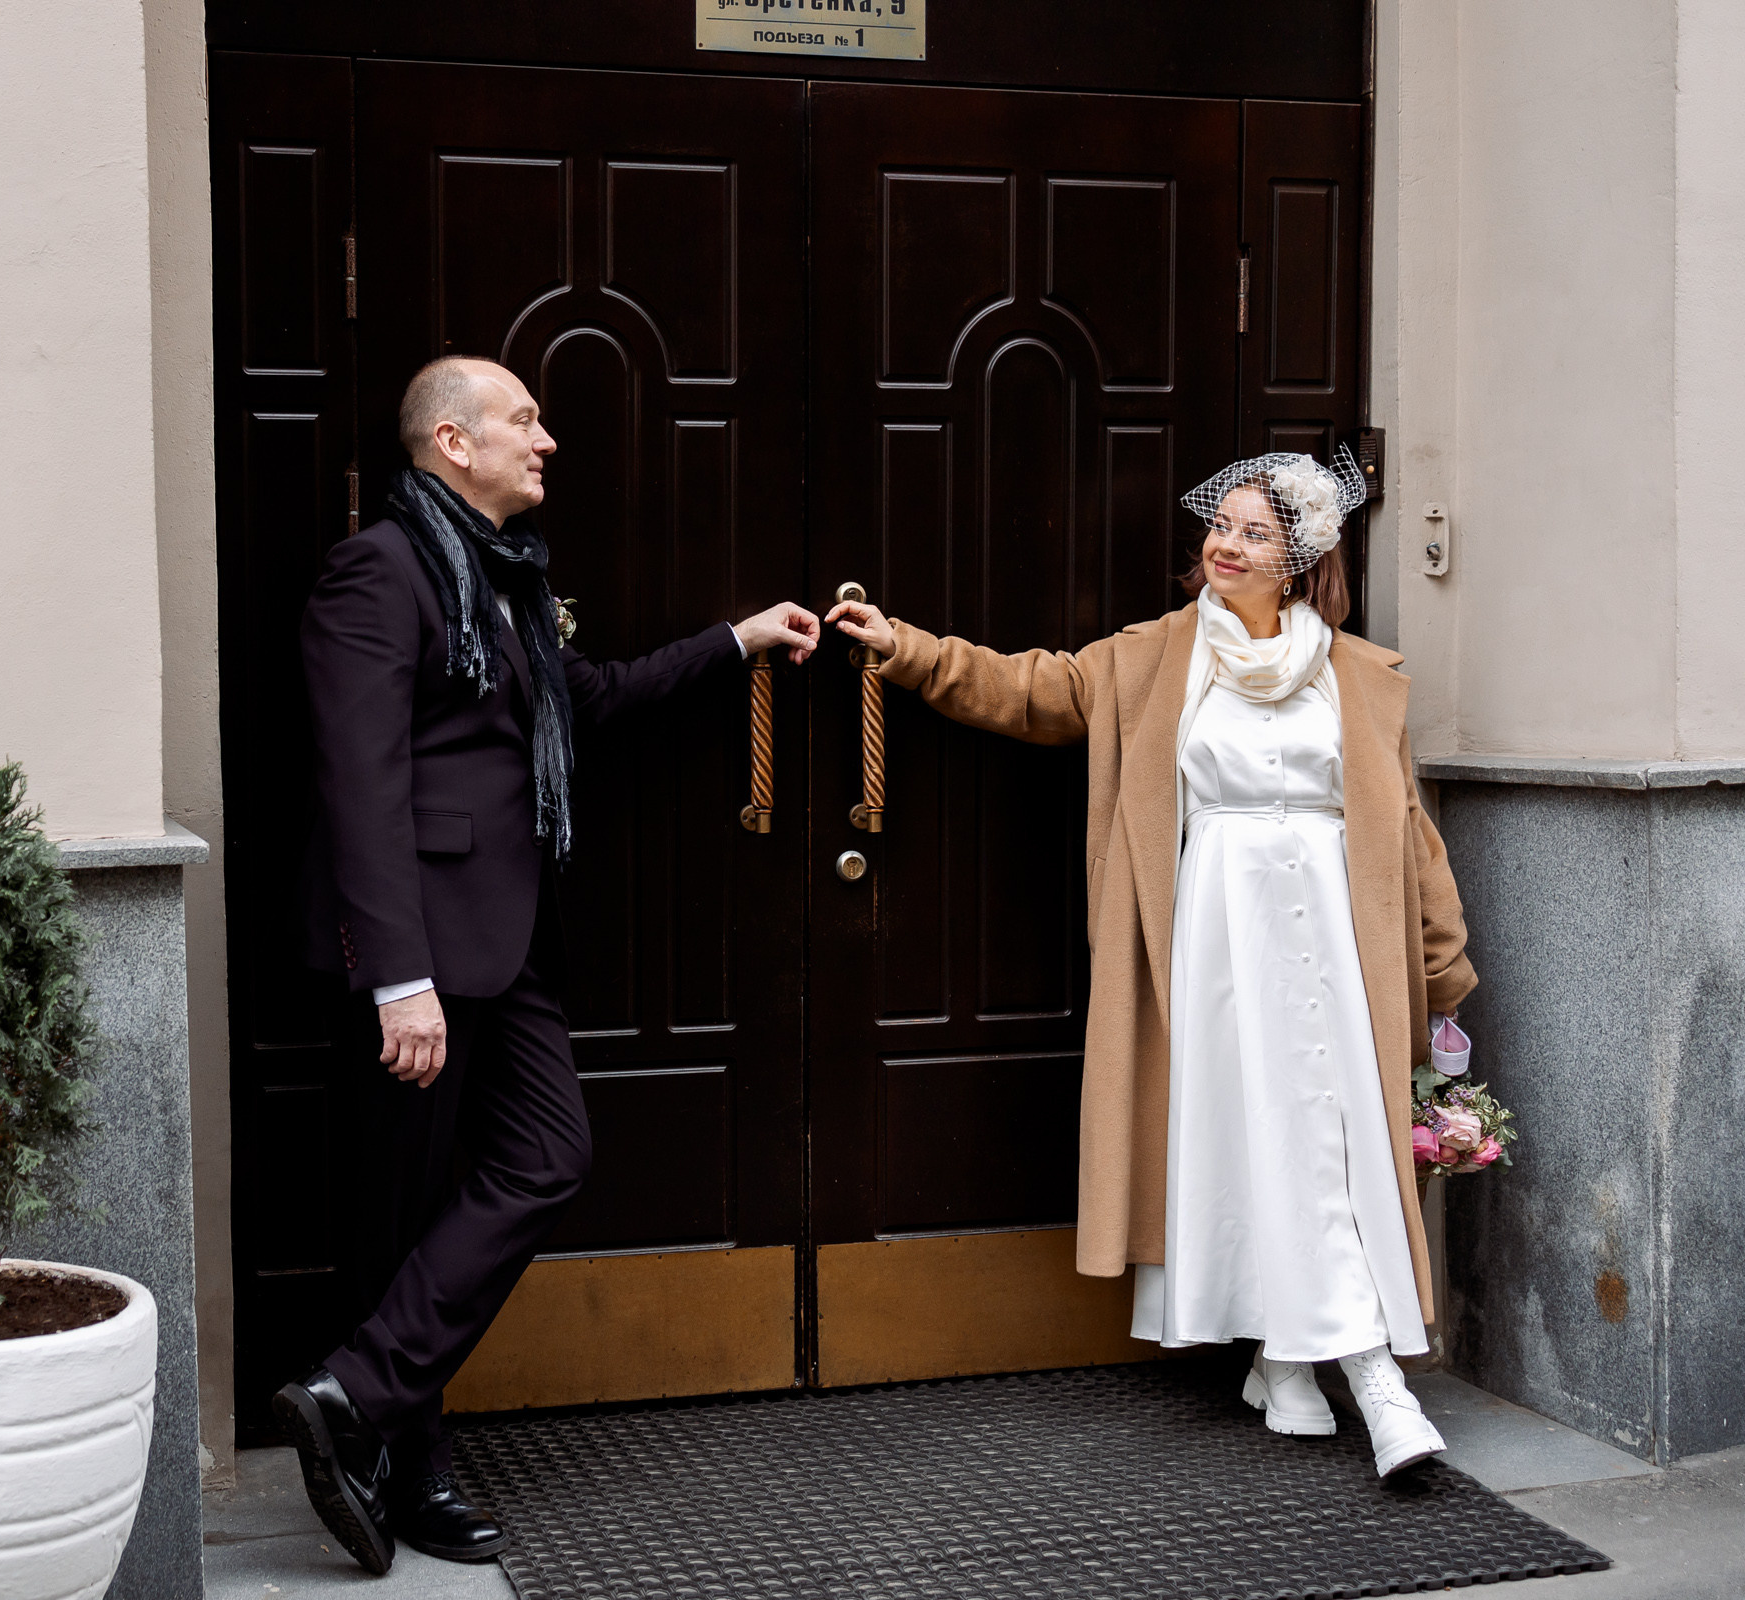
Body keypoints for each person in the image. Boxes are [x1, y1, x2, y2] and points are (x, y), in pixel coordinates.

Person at [826, 449, 1474, 1478]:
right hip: (1215, 939)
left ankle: (1355, 1374)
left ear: (1303, 563)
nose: (1224, 543)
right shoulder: (1151, 658)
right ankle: (1301, 1362)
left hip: (1336, 945)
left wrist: (1442, 978)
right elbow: (1026, 690)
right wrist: (903, 648)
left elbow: (1410, 831)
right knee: (1245, 1138)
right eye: (1220, 525)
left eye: (1255, 532)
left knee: (1327, 1138)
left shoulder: (1362, 678)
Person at [278, 356, 822, 1573]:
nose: (549, 440)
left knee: (548, 1152)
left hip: (508, 942)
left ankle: (352, 1392)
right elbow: (359, 788)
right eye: (524, 420)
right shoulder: (383, 569)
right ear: (452, 441)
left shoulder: (508, 580)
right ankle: (405, 1462)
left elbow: (585, 698)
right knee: (401, 1215)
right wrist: (397, 978)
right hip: (417, 953)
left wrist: (732, 643)